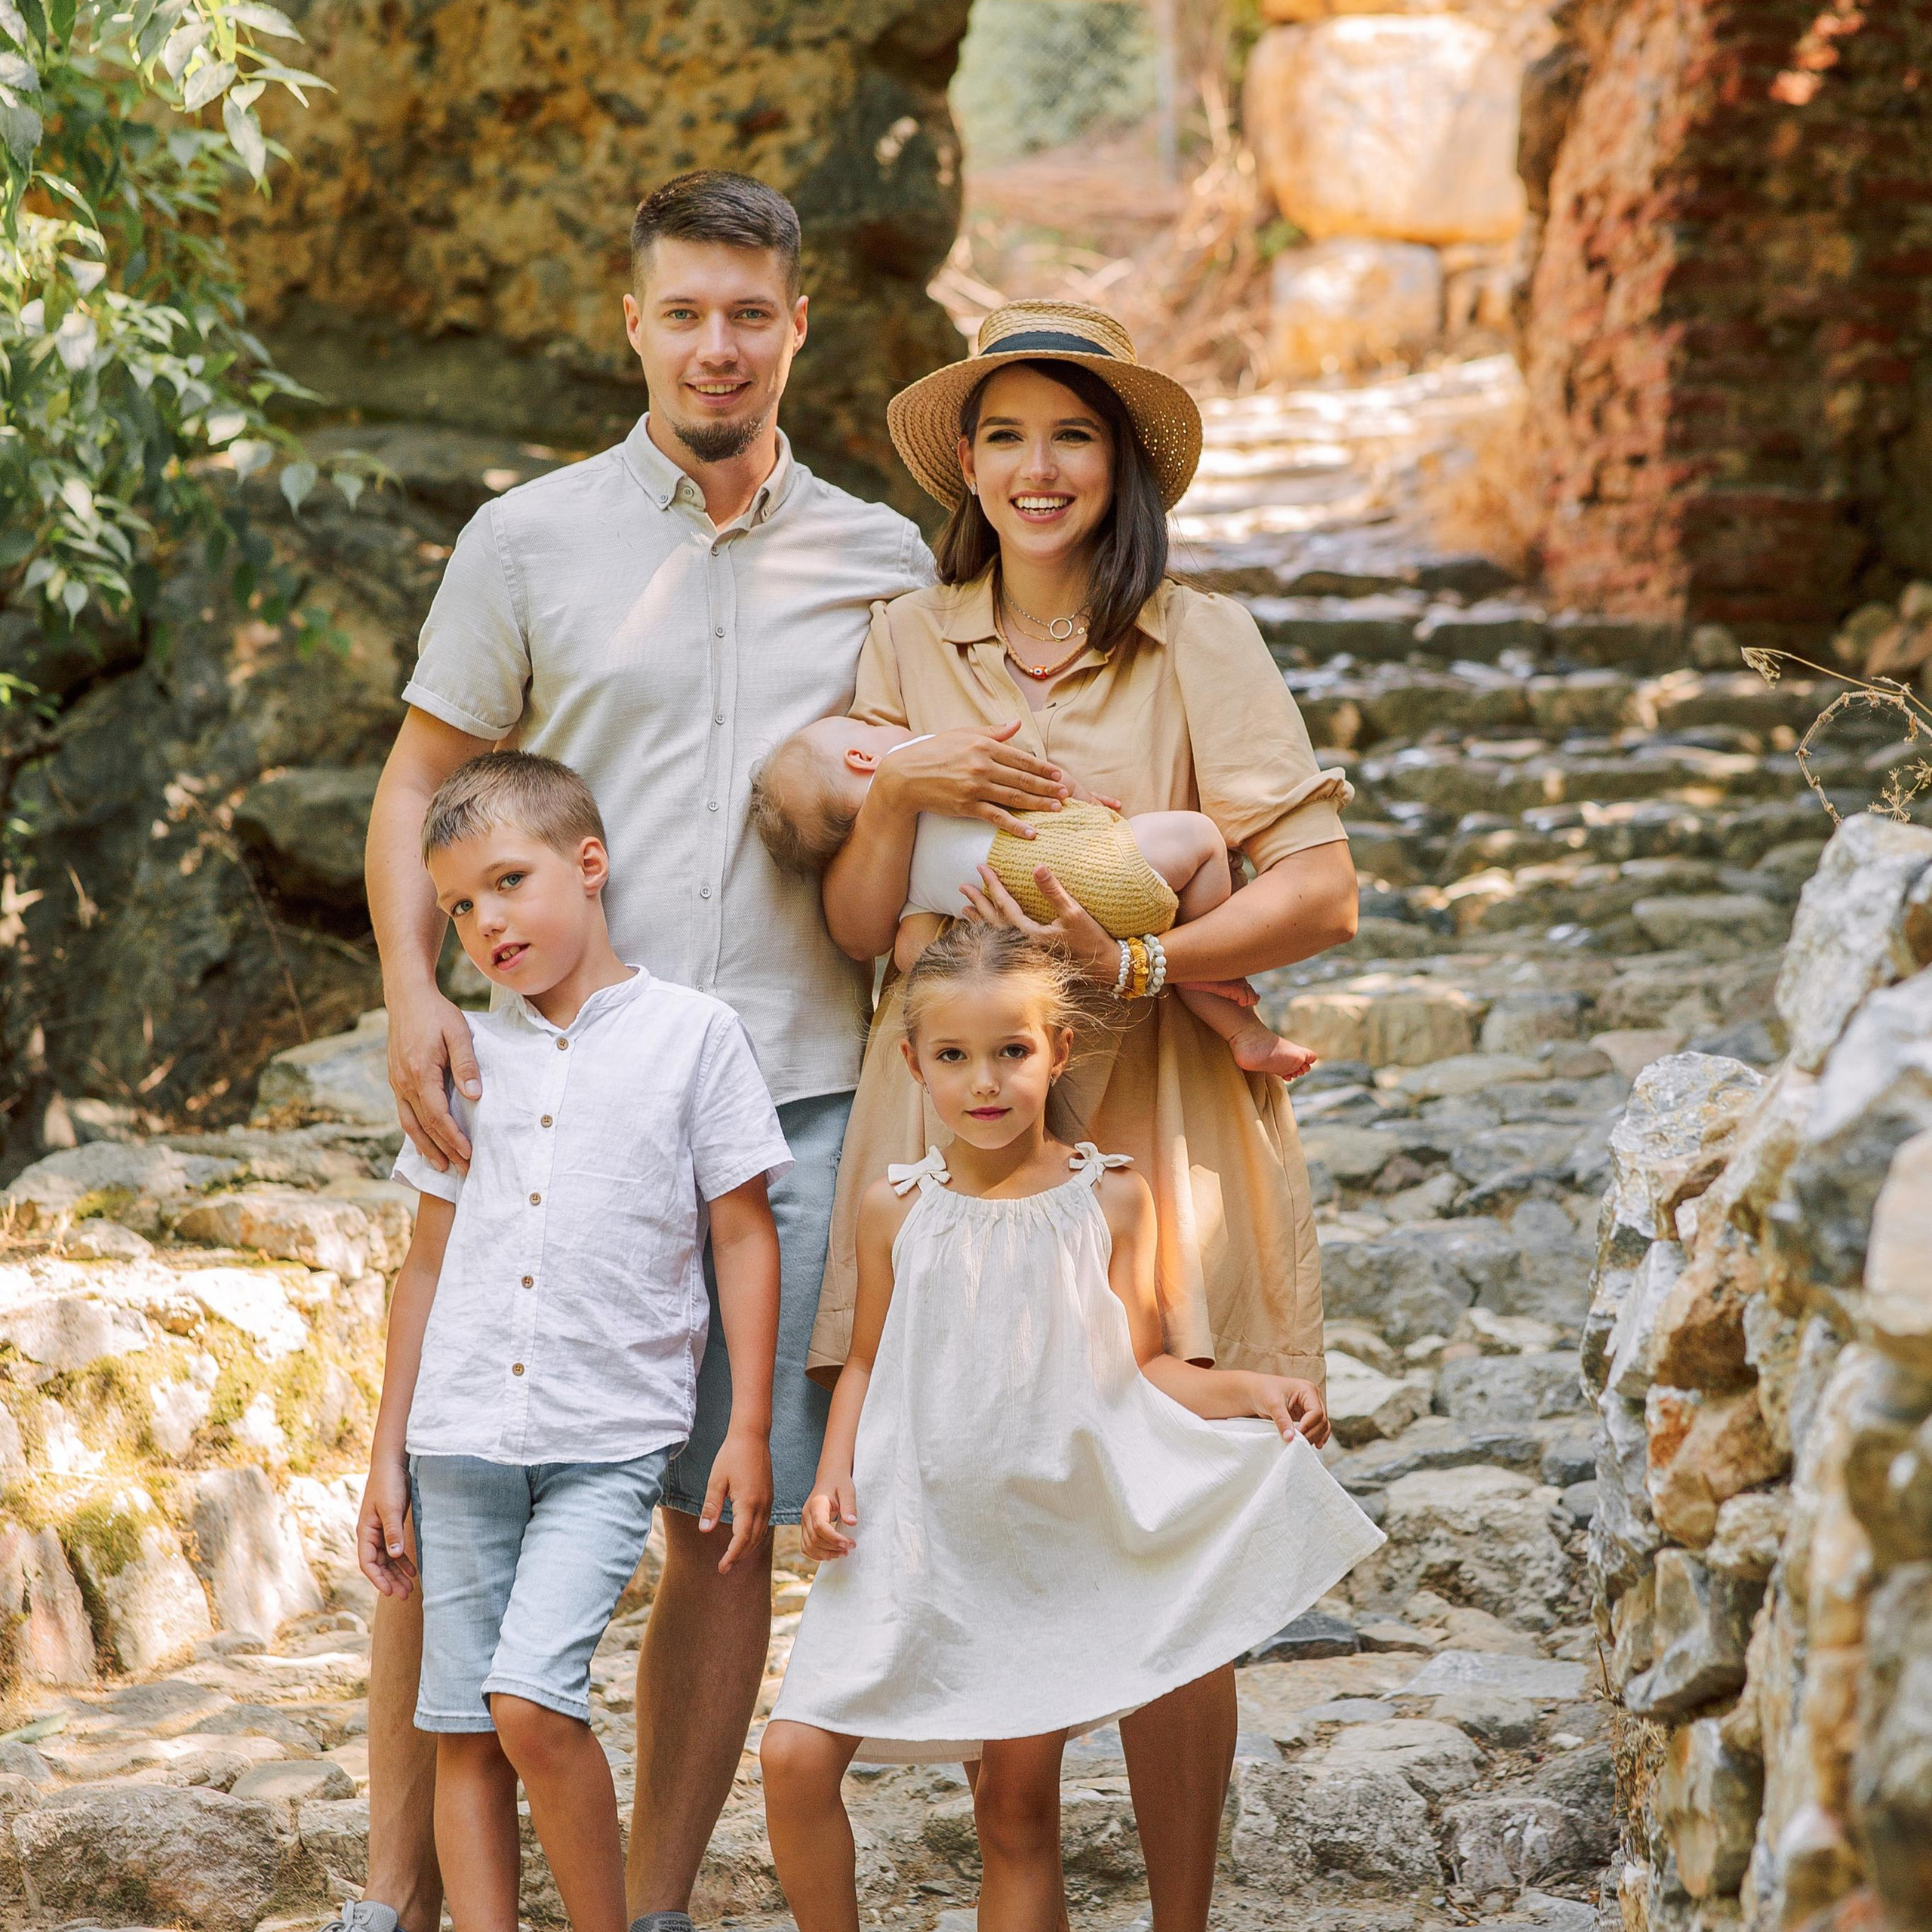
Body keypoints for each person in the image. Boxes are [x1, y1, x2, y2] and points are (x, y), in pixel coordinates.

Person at [351, 173, 1013, 1932]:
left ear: (796, 328)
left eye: (747, 313)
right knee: (460, 1470)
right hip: (540, 1084)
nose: (713, 343)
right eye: (682, 311)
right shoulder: (528, 539)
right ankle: (392, 1895)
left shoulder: (885, 559)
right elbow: (422, 775)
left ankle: (640, 1908)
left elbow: (935, 809)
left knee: (724, 1523)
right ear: (629, 323)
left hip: (781, 1098)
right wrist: (416, 987)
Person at [808, 299, 1362, 1932]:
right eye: (1003, 436)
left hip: (1165, 1130)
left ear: (1121, 463)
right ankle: (1018, 1872)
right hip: (967, 1137)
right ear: (964, 468)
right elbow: (860, 925)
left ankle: (1178, 1914)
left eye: (1070, 434)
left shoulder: (1199, 638)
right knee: (991, 1504)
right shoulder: (909, 639)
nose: (1034, 468)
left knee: (1172, 1544)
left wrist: (1133, 949)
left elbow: (1318, 891)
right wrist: (902, 792)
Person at [761, 924, 1381, 1932]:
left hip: (1043, 1541)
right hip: (918, 1538)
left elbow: (1143, 1368)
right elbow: (869, 1356)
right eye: (954, 1057)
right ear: (914, 1064)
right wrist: (832, 1476)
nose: (985, 1082)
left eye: (1012, 1051)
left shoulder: (1112, 1200)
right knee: (791, 1759)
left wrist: (1260, 1389)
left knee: (1014, 1812)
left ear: (1059, 1050)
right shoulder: (893, 1207)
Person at [358, 751, 789, 1932]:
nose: (486, 921)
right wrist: (386, 1455)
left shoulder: (694, 1037)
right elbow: (427, 1265)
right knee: (462, 1731)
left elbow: (745, 1239)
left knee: (531, 1705)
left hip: (609, 1440)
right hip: (459, 1443)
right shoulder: (464, 1060)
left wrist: (746, 1426)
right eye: (458, 906)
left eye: (508, 881)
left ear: (588, 866)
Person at [747, 714, 1320, 1078]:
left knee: (1186, 866)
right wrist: (1070, 788)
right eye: (865, 727)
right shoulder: (926, 759)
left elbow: (909, 952)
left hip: (1036, 916)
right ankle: (1201, 963)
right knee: (1204, 839)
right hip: (1099, 868)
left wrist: (994, 937)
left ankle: (1239, 1027)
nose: (882, 727)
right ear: (864, 758)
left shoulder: (897, 878)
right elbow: (1024, 762)